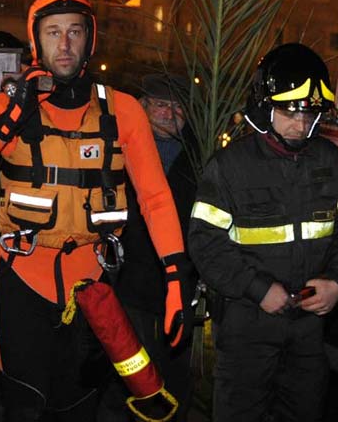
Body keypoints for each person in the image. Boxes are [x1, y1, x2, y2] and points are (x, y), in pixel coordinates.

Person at [0, 0, 188, 421]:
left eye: (75, 31)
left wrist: (174, 278)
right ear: (37, 40)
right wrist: (13, 115)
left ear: (90, 40)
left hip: (93, 282)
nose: (65, 43)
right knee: (23, 405)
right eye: (53, 32)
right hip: (22, 278)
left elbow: (155, 199)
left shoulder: (123, 110)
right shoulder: (10, 106)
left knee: (77, 406)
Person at [188, 43, 338, 422]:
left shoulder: (331, 161)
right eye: (289, 112)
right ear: (264, 106)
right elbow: (205, 245)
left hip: (308, 331)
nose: (301, 125)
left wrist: (336, 282)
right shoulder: (229, 167)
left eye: (310, 114)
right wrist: (258, 289)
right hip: (246, 327)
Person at [101, 73, 199, 421]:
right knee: (127, 371)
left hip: (177, 282)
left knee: (174, 376)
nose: (169, 113)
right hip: (126, 281)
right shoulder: (118, 149)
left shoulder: (199, 158)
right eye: (160, 105)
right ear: (142, 108)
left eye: (177, 107)